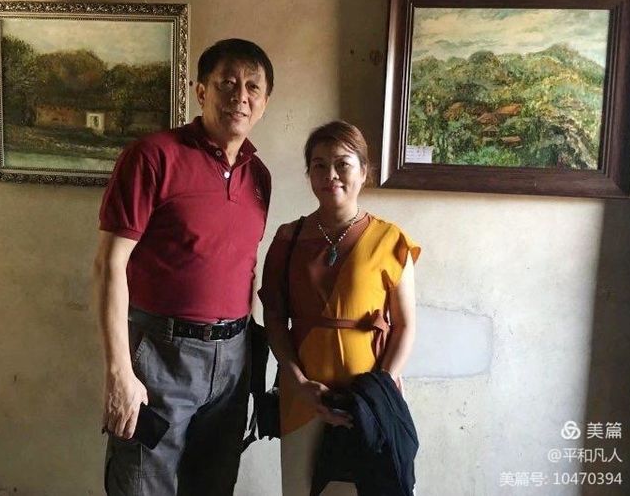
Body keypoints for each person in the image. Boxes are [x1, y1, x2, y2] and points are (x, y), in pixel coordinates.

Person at [93, 38, 273, 496]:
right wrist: (119, 373)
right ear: (201, 91)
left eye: (253, 87)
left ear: (265, 102)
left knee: (213, 486)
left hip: (233, 360)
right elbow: (110, 265)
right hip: (160, 356)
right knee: (140, 484)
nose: (240, 96)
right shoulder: (153, 156)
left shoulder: (259, 177)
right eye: (227, 83)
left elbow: (243, 270)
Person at [260, 121, 420, 495]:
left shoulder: (390, 239)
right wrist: (299, 384)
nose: (330, 175)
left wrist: (382, 387)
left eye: (342, 164)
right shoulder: (287, 238)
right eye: (319, 165)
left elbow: (405, 325)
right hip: (302, 398)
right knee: (302, 488)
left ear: (363, 171)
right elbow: (274, 319)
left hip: (368, 402)